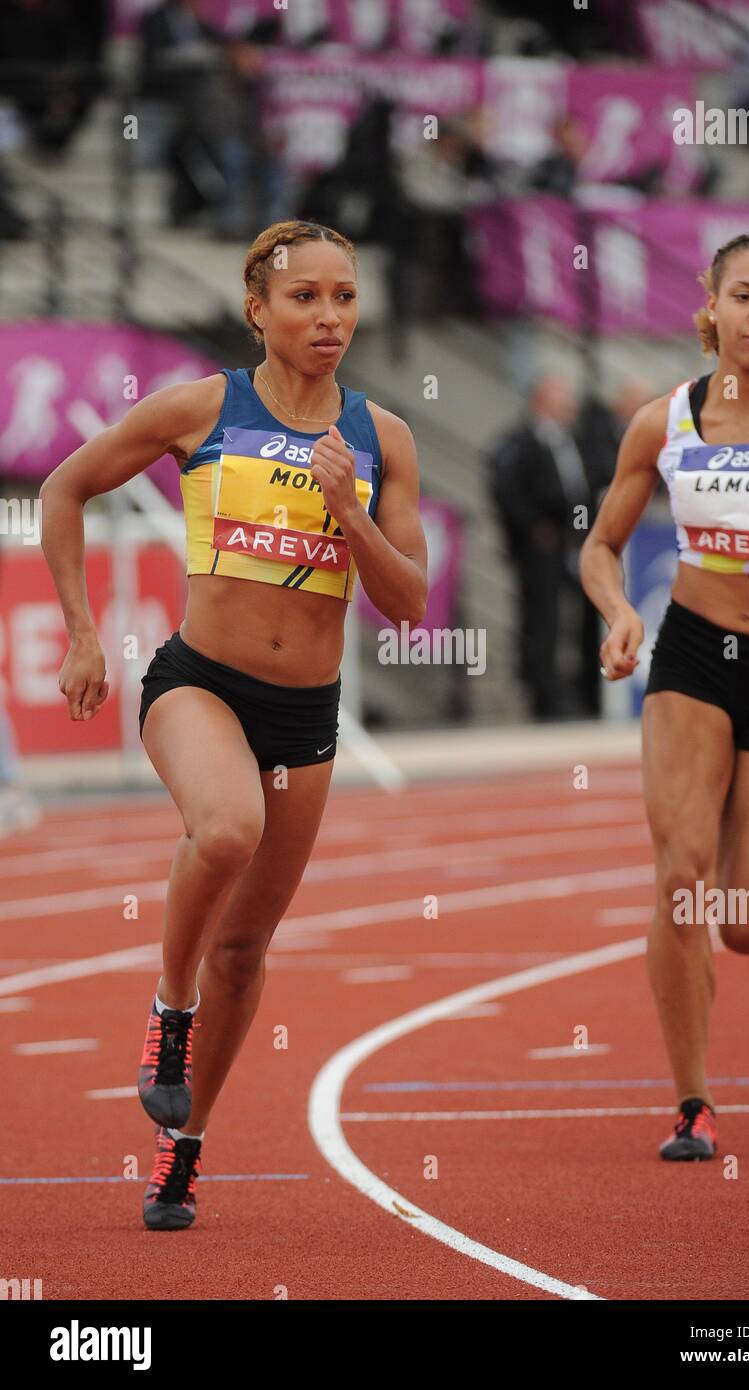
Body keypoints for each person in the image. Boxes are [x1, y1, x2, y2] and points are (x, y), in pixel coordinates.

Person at [38, 220, 428, 1228]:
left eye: (344, 295)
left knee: (248, 949)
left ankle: (185, 1148)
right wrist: (84, 632)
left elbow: (412, 602)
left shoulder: (383, 438)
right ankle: (170, 1010)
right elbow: (63, 488)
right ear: (258, 308)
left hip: (305, 714)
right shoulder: (204, 407)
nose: (330, 315)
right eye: (306, 297)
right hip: (197, 683)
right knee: (224, 828)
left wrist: (351, 513)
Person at [579, 232, 749, 1160]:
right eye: (744, 297)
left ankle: (733, 826)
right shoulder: (664, 420)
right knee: (680, 873)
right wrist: (614, 613)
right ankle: (691, 1102)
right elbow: (601, 544)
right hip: (690, 657)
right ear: (711, 307)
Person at [489, 372, 609, 719]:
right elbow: (505, 490)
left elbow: (589, 485)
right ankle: (544, 699)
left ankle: (590, 693)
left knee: (590, 616)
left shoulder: (577, 441)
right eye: (561, 399)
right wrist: (533, 528)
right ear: (540, 401)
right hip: (541, 550)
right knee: (543, 622)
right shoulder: (519, 443)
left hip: (579, 544)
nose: (569, 406)